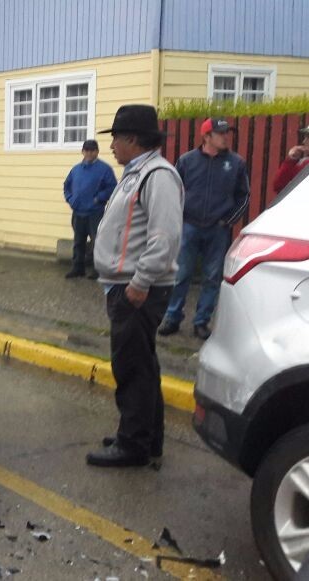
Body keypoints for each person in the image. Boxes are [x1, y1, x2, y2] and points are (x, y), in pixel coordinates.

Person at [88, 104, 184, 468]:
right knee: (142, 365)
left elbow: (165, 236)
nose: (111, 145)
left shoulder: (157, 175)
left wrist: (141, 282)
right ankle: (144, 436)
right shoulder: (136, 173)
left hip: (138, 288)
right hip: (126, 284)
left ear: (132, 140)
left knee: (131, 368)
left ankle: (133, 445)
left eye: (114, 138)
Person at [158, 118, 249, 340]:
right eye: (220, 133)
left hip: (218, 230)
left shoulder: (236, 163)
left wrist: (228, 221)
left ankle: (201, 321)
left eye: (227, 133)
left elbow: (243, 196)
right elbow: (174, 190)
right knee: (181, 274)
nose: (226, 137)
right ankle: (172, 317)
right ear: (206, 136)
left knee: (211, 277)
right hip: (189, 226)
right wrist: (177, 219)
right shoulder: (187, 161)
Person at [62, 139, 117, 279]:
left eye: (92, 150)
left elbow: (112, 187)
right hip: (78, 211)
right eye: (86, 150)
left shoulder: (105, 169)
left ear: (97, 152)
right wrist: (71, 199)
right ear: (82, 151)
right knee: (78, 241)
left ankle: (97, 270)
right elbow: (66, 186)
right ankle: (77, 268)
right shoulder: (75, 169)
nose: (89, 153)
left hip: (95, 212)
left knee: (97, 242)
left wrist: (99, 198)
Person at [272, 125, 309, 194]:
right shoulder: (302, 163)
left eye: (308, 137)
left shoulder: (305, 163)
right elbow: (279, 185)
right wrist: (291, 159)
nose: (304, 141)